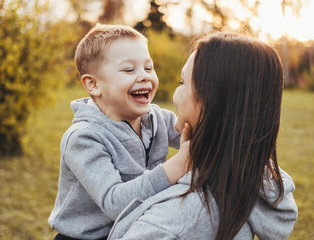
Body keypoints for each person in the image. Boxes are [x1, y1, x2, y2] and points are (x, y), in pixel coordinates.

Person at [108, 32, 298, 240]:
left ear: (211, 102)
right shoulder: (243, 185)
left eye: (181, 83)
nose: (175, 93)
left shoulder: (173, 222)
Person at [48, 24, 190, 240]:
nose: (144, 76)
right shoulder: (83, 137)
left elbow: (197, 134)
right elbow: (114, 202)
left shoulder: (157, 119)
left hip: (134, 230)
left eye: (149, 68)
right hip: (86, 237)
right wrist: (177, 166)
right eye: (129, 70)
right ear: (93, 84)